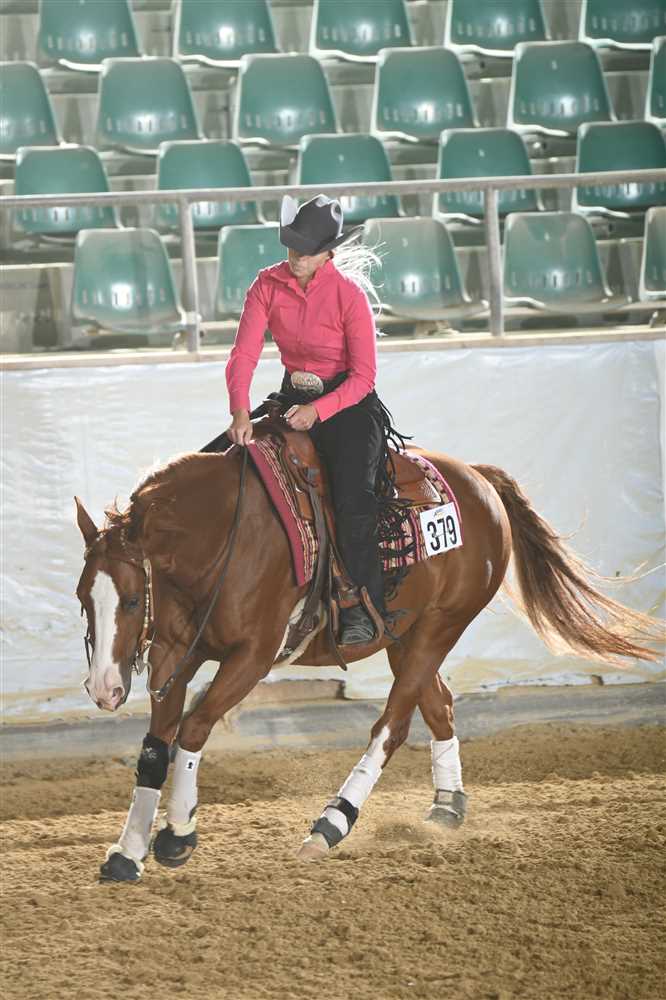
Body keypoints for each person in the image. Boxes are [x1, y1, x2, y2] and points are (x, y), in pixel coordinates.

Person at [225, 194, 404, 645]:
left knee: (352, 501)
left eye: (307, 250)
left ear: (328, 253)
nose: (297, 257)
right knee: (235, 465)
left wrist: (318, 410)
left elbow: (363, 378)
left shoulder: (349, 297)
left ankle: (365, 608)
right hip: (293, 397)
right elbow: (244, 353)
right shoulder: (266, 285)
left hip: (346, 406)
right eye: (293, 247)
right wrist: (240, 409)